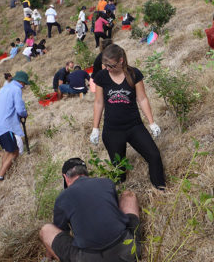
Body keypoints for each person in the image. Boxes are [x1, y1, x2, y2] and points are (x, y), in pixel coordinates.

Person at [91, 44, 165, 189]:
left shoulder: (134, 74)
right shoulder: (101, 77)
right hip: (112, 130)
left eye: (111, 65)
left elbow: (142, 99)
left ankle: (160, 189)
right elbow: (99, 103)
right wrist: (95, 128)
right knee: (119, 172)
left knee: (154, 155)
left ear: (121, 61)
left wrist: (152, 123)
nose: (107, 68)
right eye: (105, 65)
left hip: (134, 126)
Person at [39, 158, 141, 262]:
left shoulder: (62, 198)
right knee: (128, 195)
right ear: (85, 172)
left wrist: (49, 253)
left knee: (46, 230)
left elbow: (61, 232)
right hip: (128, 251)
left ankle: (49, 259)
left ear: (65, 177)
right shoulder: (106, 182)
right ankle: (137, 239)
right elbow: (116, 213)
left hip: (91, 258)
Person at [0, 71, 29, 180]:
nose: (24, 86)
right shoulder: (16, 90)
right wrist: (24, 114)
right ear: (21, 82)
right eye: (24, 84)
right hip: (6, 125)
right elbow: (20, 108)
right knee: (14, 152)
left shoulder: (3, 88)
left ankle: (5, 173)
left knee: (8, 151)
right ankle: (0, 176)